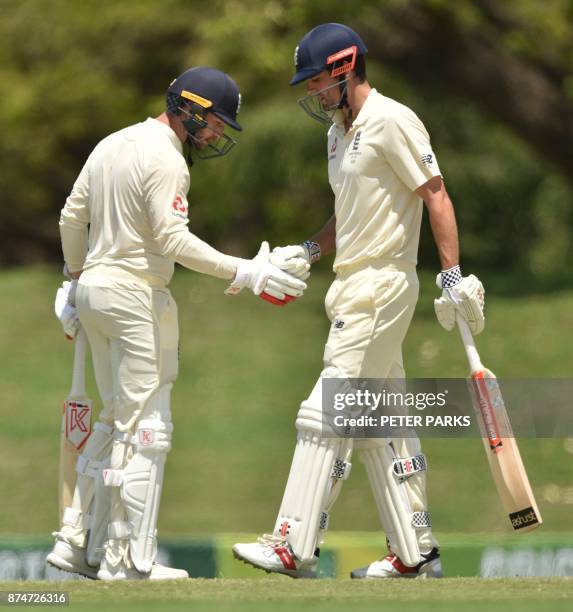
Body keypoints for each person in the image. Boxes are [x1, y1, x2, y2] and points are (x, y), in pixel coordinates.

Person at [233, 23, 485, 579]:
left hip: (382, 285)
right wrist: (307, 250)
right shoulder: (337, 134)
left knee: (325, 412)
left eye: (318, 81)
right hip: (351, 282)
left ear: (346, 68)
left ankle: (291, 545)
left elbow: (435, 194)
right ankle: (416, 553)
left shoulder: (392, 120)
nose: (313, 93)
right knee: (385, 424)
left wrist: (451, 275)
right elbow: (348, 217)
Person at [47, 66, 307, 581]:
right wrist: (245, 271)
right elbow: (172, 241)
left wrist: (75, 280)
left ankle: (79, 543)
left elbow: (70, 219)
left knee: (115, 418)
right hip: (135, 294)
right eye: (214, 123)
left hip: (97, 291)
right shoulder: (167, 160)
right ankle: (129, 563)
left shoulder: (112, 143)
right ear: (189, 108)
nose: (215, 134)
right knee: (147, 429)